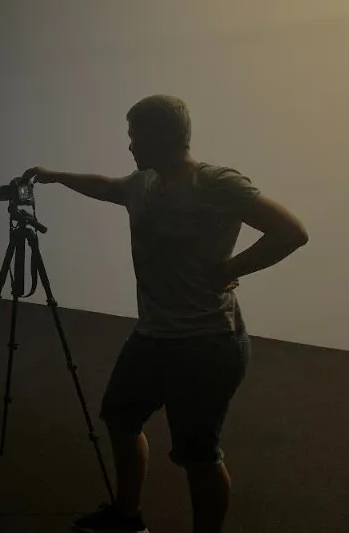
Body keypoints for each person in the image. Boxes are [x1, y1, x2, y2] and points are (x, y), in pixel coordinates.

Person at [23, 95, 308, 533]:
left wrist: (230, 269)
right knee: (119, 418)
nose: (130, 146)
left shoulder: (215, 183)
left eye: (135, 136)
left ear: (161, 136)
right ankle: (127, 516)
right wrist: (56, 177)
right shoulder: (143, 183)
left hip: (208, 342)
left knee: (198, 455)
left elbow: (291, 231)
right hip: (153, 335)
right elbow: (108, 186)